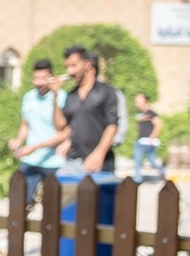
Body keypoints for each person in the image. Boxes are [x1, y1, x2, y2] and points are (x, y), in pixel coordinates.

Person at [54, 45, 121, 176]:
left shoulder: (105, 92)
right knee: (59, 186)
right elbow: (62, 127)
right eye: (67, 67)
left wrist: (99, 153)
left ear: (87, 65)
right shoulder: (71, 96)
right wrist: (54, 95)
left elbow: (112, 125)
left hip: (100, 162)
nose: (70, 71)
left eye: (74, 65)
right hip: (73, 162)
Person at [9, 58, 68, 201]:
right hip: (31, 160)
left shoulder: (62, 97)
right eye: (36, 78)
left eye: (43, 78)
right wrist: (18, 141)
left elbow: (63, 132)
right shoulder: (28, 97)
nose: (39, 83)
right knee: (20, 202)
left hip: (55, 161)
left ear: (51, 78)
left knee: (53, 206)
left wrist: (34, 147)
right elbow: (25, 124)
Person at [131, 93, 164, 181]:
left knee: (152, 160)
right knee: (137, 159)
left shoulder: (151, 113)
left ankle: (162, 172)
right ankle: (137, 178)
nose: (137, 104)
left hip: (148, 141)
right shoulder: (142, 114)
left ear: (145, 101)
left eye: (138, 102)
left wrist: (152, 138)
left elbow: (159, 124)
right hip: (140, 141)